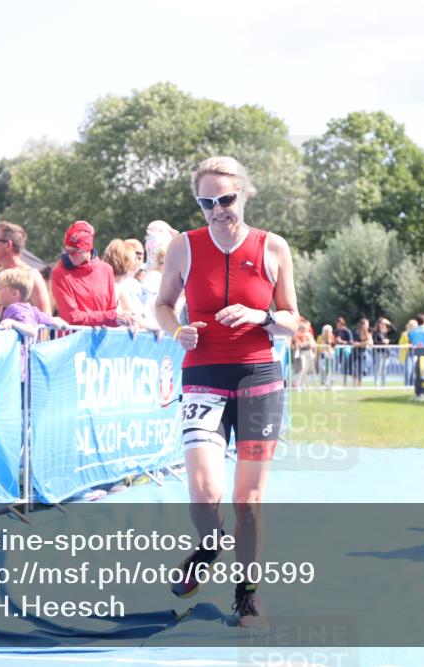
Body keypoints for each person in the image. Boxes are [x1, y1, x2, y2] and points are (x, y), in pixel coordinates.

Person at [154, 156, 298, 627]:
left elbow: (292, 321)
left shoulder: (273, 247)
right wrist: (176, 331)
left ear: (245, 195)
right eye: (206, 202)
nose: (217, 209)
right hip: (203, 378)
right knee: (203, 491)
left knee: (249, 501)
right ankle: (209, 544)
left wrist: (262, 318)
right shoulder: (183, 246)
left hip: (258, 380)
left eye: (226, 199)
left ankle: (247, 593)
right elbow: (161, 305)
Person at [51, 221, 133, 327]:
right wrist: (110, 317)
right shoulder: (60, 273)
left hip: (102, 340)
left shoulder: (106, 270)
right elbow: (71, 317)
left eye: (75, 252)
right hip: (73, 340)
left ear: (88, 249)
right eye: (67, 251)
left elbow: (111, 312)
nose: (70, 256)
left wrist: (129, 321)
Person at [0, 222, 51, 325]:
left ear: (8, 245)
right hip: (0, 340)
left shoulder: (32, 276)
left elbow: (46, 321)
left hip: (27, 340)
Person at [0, 267, 67, 339]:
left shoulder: (13, 309)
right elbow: (56, 321)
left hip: (20, 350)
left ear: (14, 293)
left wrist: (12, 323)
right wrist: (63, 325)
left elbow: (31, 330)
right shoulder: (32, 309)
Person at [104, 238, 157, 331]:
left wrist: (154, 328)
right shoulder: (110, 285)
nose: (137, 262)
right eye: (134, 259)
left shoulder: (119, 287)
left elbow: (133, 314)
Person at [292, 320, 316, 390]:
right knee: (302, 368)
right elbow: (298, 345)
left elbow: (312, 344)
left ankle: (304, 385)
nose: (305, 330)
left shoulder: (309, 335)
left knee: (306, 370)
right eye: (303, 328)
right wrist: (305, 343)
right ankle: (297, 385)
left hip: (308, 352)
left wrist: (308, 344)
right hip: (301, 353)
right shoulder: (297, 335)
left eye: (305, 328)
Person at [351, 318, 373, 387]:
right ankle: (354, 385)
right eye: (366, 324)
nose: (367, 326)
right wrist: (364, 343)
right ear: (362, 325)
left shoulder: (368, 333)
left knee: (360, 370)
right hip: (355, 353)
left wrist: (361, 344)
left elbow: (370, 343)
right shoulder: (356, 333)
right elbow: (354, 343)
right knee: (354, 370)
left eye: (368, 325)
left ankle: (359, 386)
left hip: (362, 354)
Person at [372, 317, 393, 386]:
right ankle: (376, 384)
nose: (383, 325)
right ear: (379, 324)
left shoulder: (385, 332)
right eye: (382, 323)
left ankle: (383, 384)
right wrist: (383, 342)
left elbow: (395, 332)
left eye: (384, 324)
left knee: (384, 369)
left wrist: (389, 323)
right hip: (379, 352)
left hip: (386, 352)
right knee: (378, 368)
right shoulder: (375, 332)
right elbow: (375, 342)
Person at [316, 323, 336, 388]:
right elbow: (318, 347)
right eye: (326, 330)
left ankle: (328, 382)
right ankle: (323, 381)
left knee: (329, 369)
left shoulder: (332, 337)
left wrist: (329, 341)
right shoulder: (320, 337)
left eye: (329, 331)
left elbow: (333, 346)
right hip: (322, 355)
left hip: (330, 355)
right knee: (322, 368)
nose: (327, 332)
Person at [399, 319, 416, 385]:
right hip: (407, 354)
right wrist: (408, 345)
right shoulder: (404, 334)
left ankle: (412, 384)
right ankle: (407, 385)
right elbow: (400, 344)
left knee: (414, 371)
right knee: (408, 370)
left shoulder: (416, 334)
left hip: (415, 353)